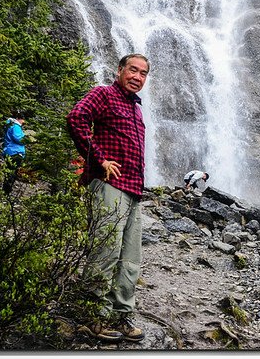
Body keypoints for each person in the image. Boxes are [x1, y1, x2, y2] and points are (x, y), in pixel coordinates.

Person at [67, 53, 150, 343]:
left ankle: (120, 315)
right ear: (119, 70)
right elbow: (76, 118)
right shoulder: (104, 94)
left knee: (130, 258)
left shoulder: (137, 109)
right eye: (132, 70)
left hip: (133, 190)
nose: (137, 77)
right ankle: (93, 316)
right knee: (105, 252)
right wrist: (99, 160)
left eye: (142, 73)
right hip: (109, 185)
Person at [1, 114, 26, 194]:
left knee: (9, 171)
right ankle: (7, 191)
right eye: (22, 119)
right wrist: (27, 139)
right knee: (12, 173)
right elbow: (18, 138)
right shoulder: (16, 127)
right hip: (15, 152)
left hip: (9, 151)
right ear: (18, 118)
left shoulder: (10, 126)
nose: (23, 122)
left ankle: (5, 190)